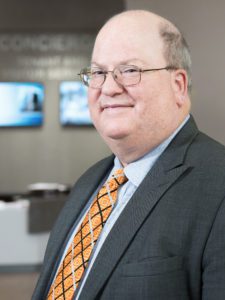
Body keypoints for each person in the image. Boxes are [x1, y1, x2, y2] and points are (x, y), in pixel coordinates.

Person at [32, 10, 225, 300]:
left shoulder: (218, 187)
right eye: (98, 73)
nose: (108, 88)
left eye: (131, 70)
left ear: (178, 86)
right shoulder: (90, 183)